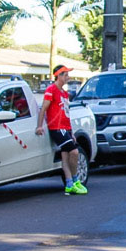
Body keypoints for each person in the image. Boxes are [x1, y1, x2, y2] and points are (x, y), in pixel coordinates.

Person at [35, 64, 87, 195]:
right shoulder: (51, 90)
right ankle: (75, 180)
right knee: (74, 152)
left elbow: (66, 113)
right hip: (57, 128)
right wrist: (39, 125)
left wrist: (71, 132)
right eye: (65, 74)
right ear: (59, 76)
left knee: (65, 156)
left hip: (65, 128)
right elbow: (44, 109)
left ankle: (69, 183)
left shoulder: (65, 93)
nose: (68, 77)